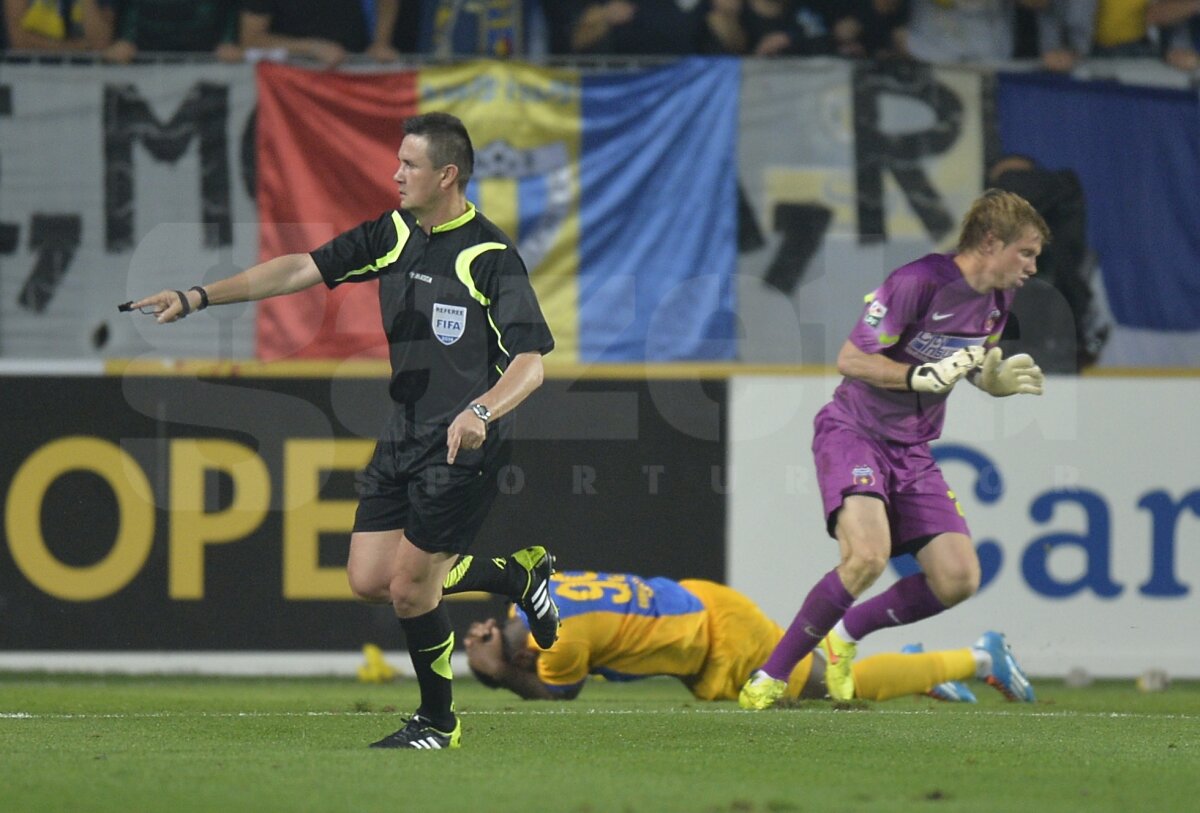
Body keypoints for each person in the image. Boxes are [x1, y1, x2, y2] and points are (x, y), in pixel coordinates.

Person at [123, 112, 560, 750]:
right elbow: (301, 267)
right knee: (368, 580)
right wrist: (196, 296)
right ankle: (517, 576)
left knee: (411, 589)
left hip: (464, 442)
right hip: (404, 431)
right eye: (397, 161)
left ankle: (439, 723)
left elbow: (532, 363)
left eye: (409, 165)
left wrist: (482, 412)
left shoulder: (489, 257)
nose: (396, 174)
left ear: (447, 174)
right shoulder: (394, 233)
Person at [738, 188, 1049, 711]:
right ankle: (770, 675)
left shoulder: (998, 298)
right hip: (853, 431)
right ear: (991, 243)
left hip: (914, 450)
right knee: (868, 556)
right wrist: (919, 375)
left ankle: (845, 636)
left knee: (958, 579)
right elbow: (852, 359)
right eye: (1027, 252)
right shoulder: (918, 282)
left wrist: (987, 379)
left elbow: (965, 360)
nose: (1033, 267)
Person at [464, 570, 1034, 704]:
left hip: (720, 638)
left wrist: (499, 676)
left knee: (844, 688)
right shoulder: (532, 597)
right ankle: (916, 664)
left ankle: (979, 656)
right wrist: (507, 655)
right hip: (702, 609)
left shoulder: (558, 646)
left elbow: (559, 695)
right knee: (835, 683)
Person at [239, 0, 400, 68]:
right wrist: (311, 48)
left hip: (352, 75)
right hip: (288, 83)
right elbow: (251, 39)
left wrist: (381, 42)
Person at [101, 0, 241, 64]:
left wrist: (228, 40)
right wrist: (124, 38)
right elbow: (127, 8)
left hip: (208, 59)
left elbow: (232, 8)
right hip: (140, 60)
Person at [3, 0, 112, 52]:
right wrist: (73, 48)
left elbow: (100, 45)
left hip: (85, 77)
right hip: (28, 75)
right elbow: (19, 41)